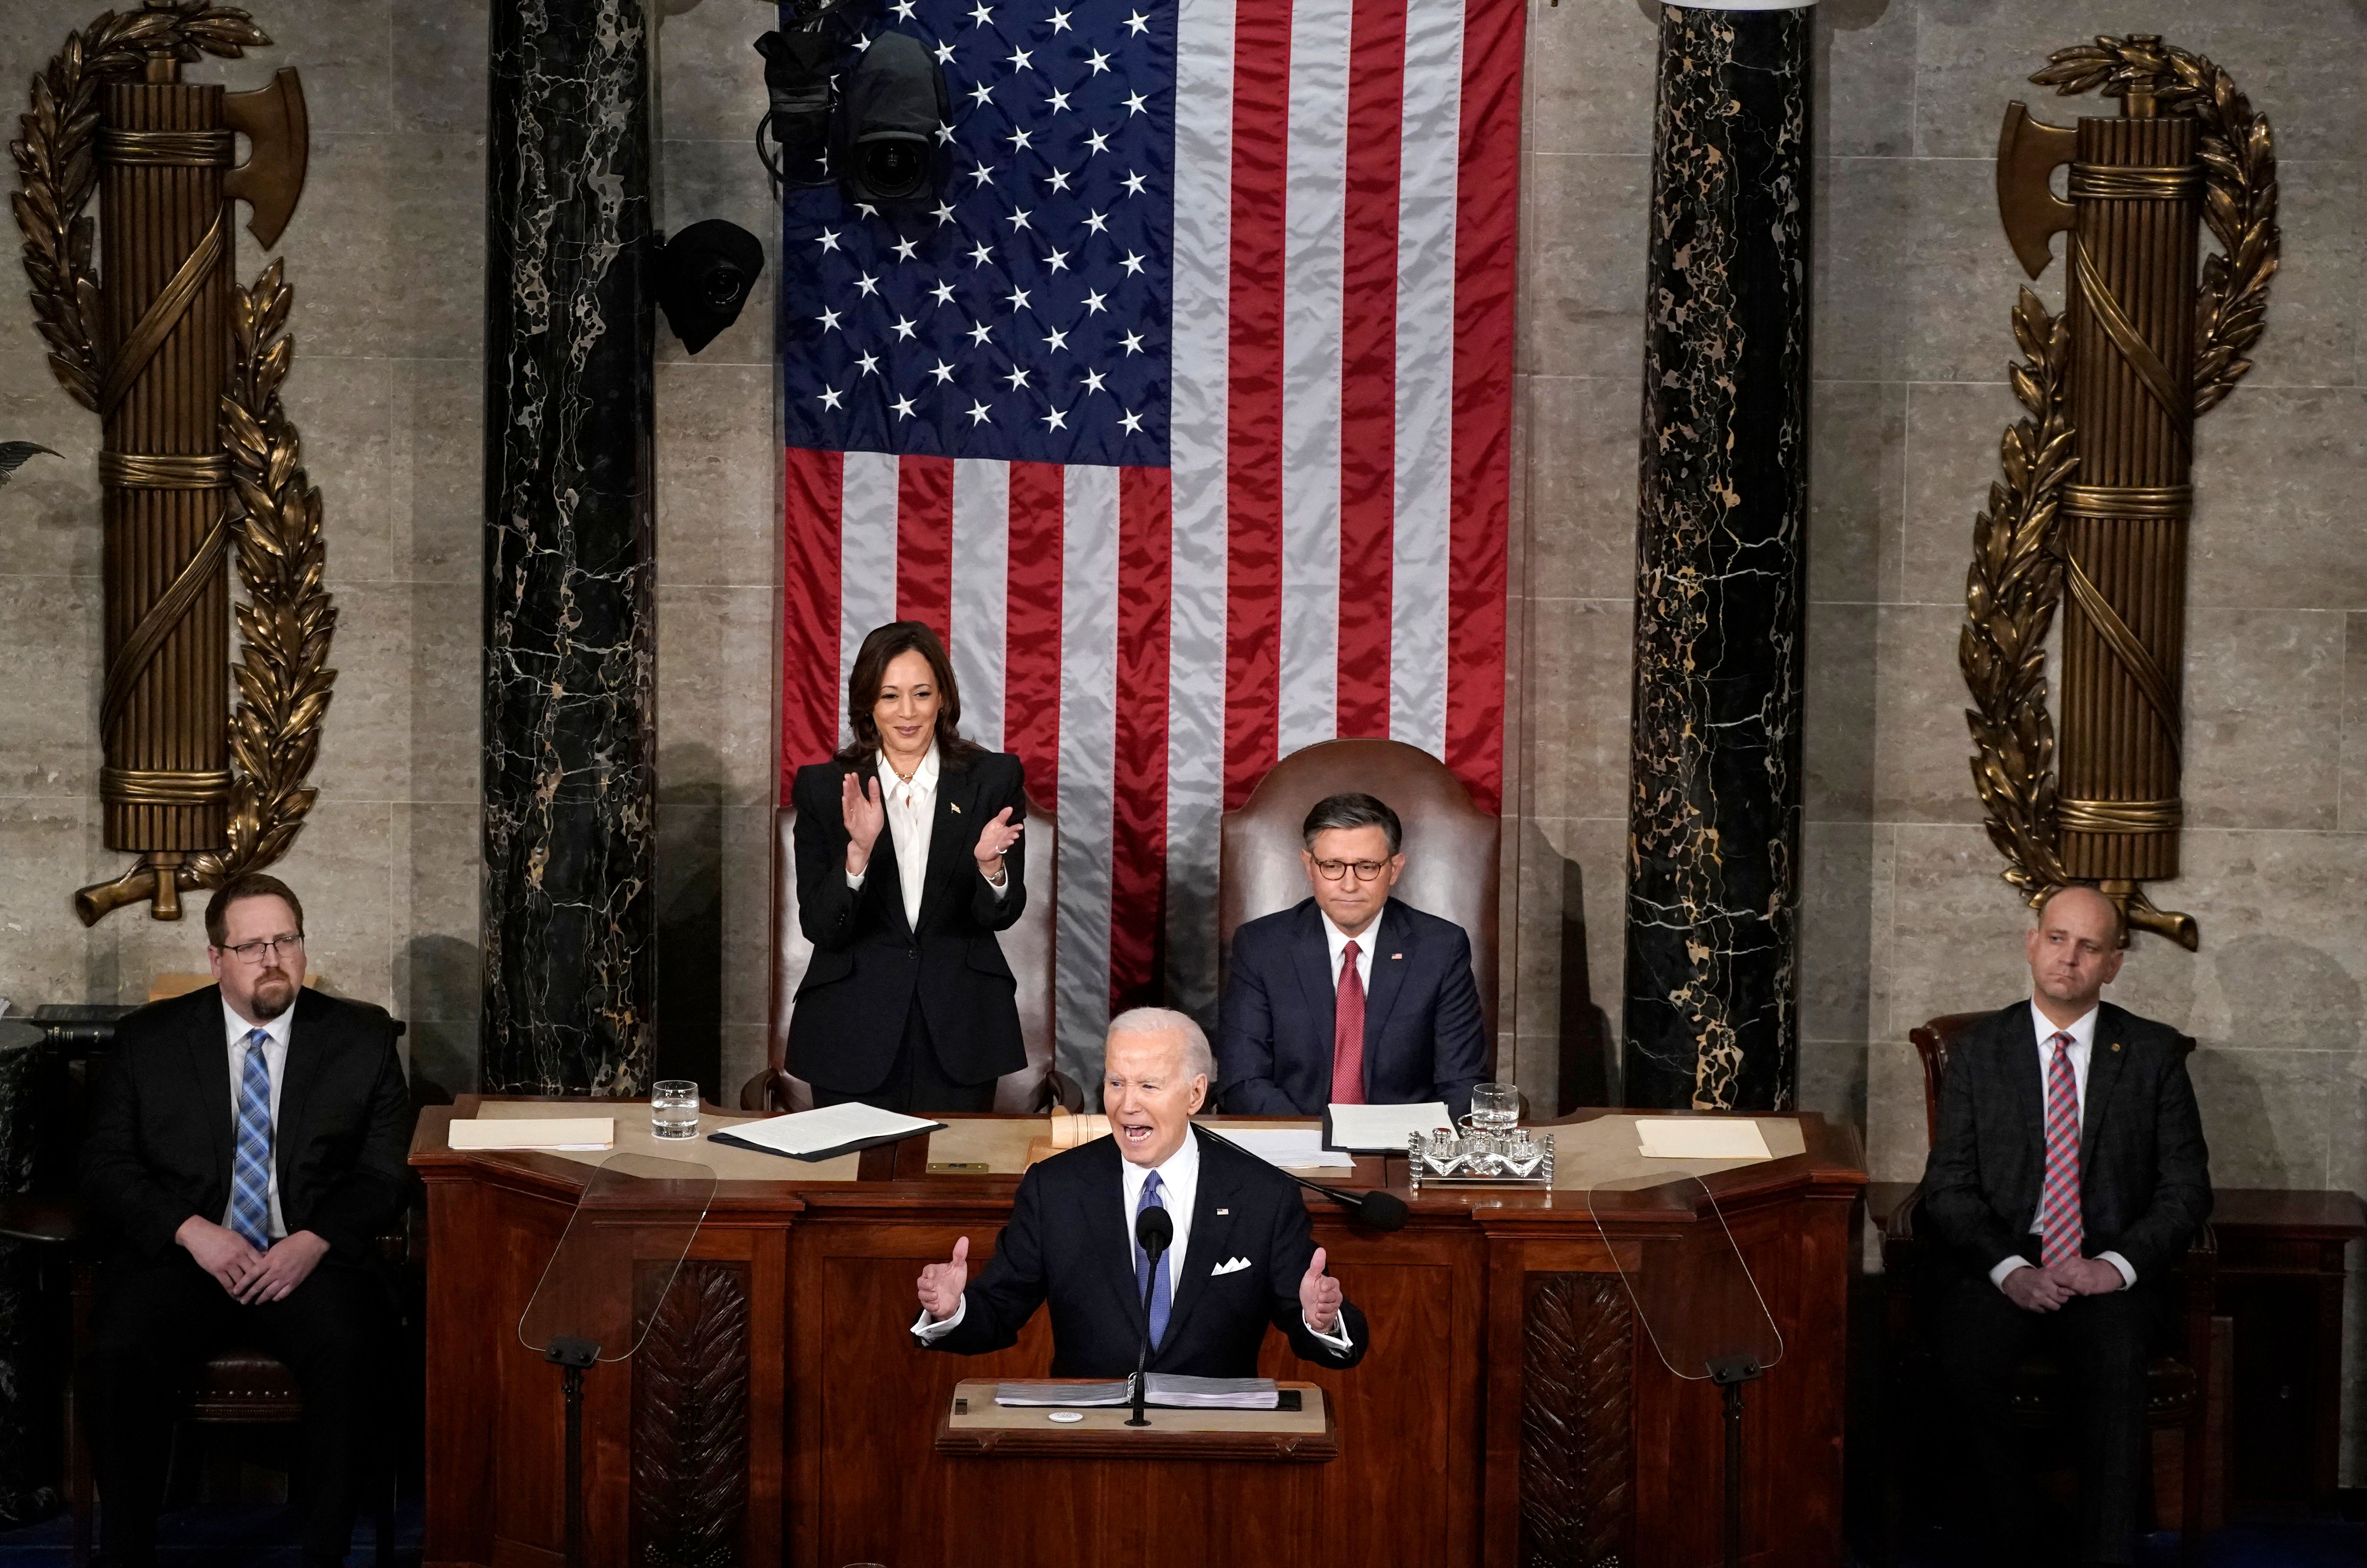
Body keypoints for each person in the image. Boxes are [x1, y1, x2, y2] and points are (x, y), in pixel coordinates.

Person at [78, 873, 414, 1568]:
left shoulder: (362, 1039)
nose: (272, 959)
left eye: (285, 940)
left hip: (309, 1260)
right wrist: (191, 1230)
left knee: (353, 1348)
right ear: (216, 958)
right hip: (188, 1258)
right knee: (117, 1347)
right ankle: (126, 1555)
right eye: (253, 944)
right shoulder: (150, 1040)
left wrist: (314, 1241)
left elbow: (385, 1174)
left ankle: (325, 1554)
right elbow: (106, 1166)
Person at [1917, 884, 2212, 1566]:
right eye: (2056, 939)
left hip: (2105, 1270)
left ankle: (2103, 1554)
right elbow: (1948, 1189)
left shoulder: (2153, 1052)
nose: (2068, 958)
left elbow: (2186, 1188)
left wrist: (2115, 1266)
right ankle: (2025, 1541)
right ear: (2031, 943)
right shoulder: (1981, 1051)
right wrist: (2009, 1269)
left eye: (2089, 946)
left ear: (2113, 963)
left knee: (2114, 1362)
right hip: (2003, 1267)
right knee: (1962, 1360)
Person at [911, 1008, 1368, 1377]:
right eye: (1115, 1082)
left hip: (1216, 1446)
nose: (1127, 1104)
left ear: (1194, 1094)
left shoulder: (1260, 1194)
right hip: (1088, 1443)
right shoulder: (1056, 1190)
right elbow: (996, 1312)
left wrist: (1322, 1319)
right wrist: (952, 1309)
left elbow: (1329, 1340)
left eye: (1148, 1085)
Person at [786, 621, 1030, 1113]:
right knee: (850, 1185)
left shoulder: (992, 779)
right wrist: (856, 856)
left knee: (953, 1182)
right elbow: (820, 926)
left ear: (942, 696)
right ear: (868, 705)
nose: (907, 712)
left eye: (921, 693)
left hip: (962, 1027)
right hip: (850, 1029)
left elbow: (1000, 914)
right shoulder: (822, 787)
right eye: (889, 696)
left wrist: (989, 868)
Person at [1215, 792, 1488, 1120]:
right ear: (1308, 866)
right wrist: (1312, 1139)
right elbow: (1243, 1079)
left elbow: (1461, 1082)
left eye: (1367, 867)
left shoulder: (1440, 948)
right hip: (1295, 1142)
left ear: (1394, 869)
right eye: (1331, 866)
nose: (1348, 884)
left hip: (1403, 1149)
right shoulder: (1261, 946)